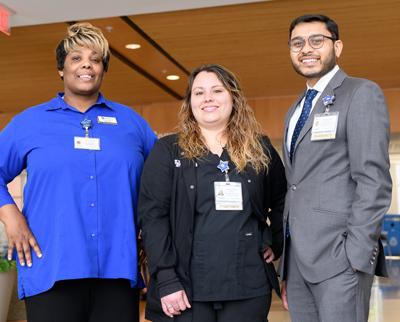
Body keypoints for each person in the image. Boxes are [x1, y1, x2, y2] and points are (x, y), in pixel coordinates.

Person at [0, 23, 157, 322]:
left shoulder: (132, 123)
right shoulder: (29, 122)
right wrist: (11, 216)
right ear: (62, 69)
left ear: (102, 69)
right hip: (51, 268)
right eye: (76, 57)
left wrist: (153, 234)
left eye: (95, 58)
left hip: (118, 269)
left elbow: (163, 182)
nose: (86, 63)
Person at [138, 64, 287, 322]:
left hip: (248, 282)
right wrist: (166, 278)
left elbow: (283, 200)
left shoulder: (259, 148)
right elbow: (153, 218)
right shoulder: (168, 150)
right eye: (199, 92)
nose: (208, 97)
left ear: (233, 98)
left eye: (217, 90)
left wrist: (276, 242)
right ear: (189, 102)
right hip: (186, 286)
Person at [277, 14, 392, 322]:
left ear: (337, 47)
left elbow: (374, 180)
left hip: (340, 257)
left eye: (317, 40)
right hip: (298, 261)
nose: (306, 49)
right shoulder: (295, 110)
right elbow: (296, 184)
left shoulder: (360, 93)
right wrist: (287, 263)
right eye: (297, 43)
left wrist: (356, 253)